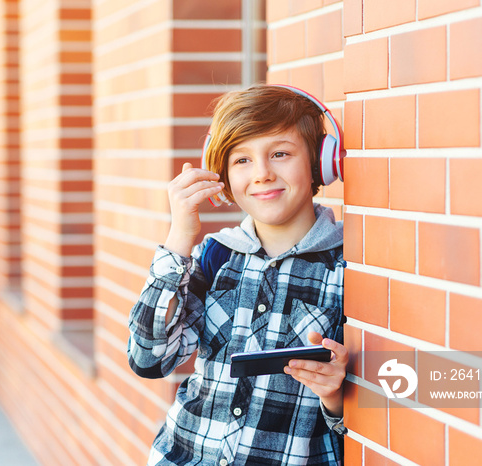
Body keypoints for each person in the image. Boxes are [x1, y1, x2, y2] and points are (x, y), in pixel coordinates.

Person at [128, 84, 348, 465]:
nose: (262, 174)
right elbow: (148, 359)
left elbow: (366, 412)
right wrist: (180, 236)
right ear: (222, 177)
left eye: (280, 154)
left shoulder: (346, 266)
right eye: (242, 160)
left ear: (319, 163)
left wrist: (335, 398)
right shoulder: (216, 255)